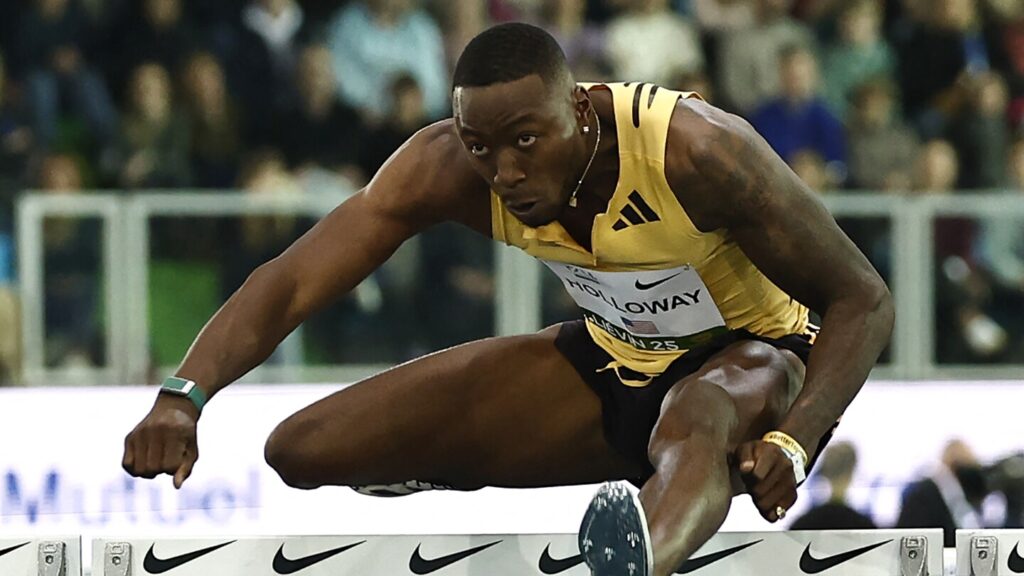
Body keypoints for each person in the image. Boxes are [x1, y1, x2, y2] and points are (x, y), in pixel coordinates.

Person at [122, 23, 893, 576]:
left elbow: (862, 300)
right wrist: (185, 394)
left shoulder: (697, 151)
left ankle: (638, 558)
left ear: (580, 111)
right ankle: (469, 461)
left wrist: (797, 439)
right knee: (301, 450)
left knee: (699, 410)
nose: (505, 173)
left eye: (526, 139)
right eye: (481, 146)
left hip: (757, 366)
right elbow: (294, 278)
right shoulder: (447, 168)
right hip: (617, 362)